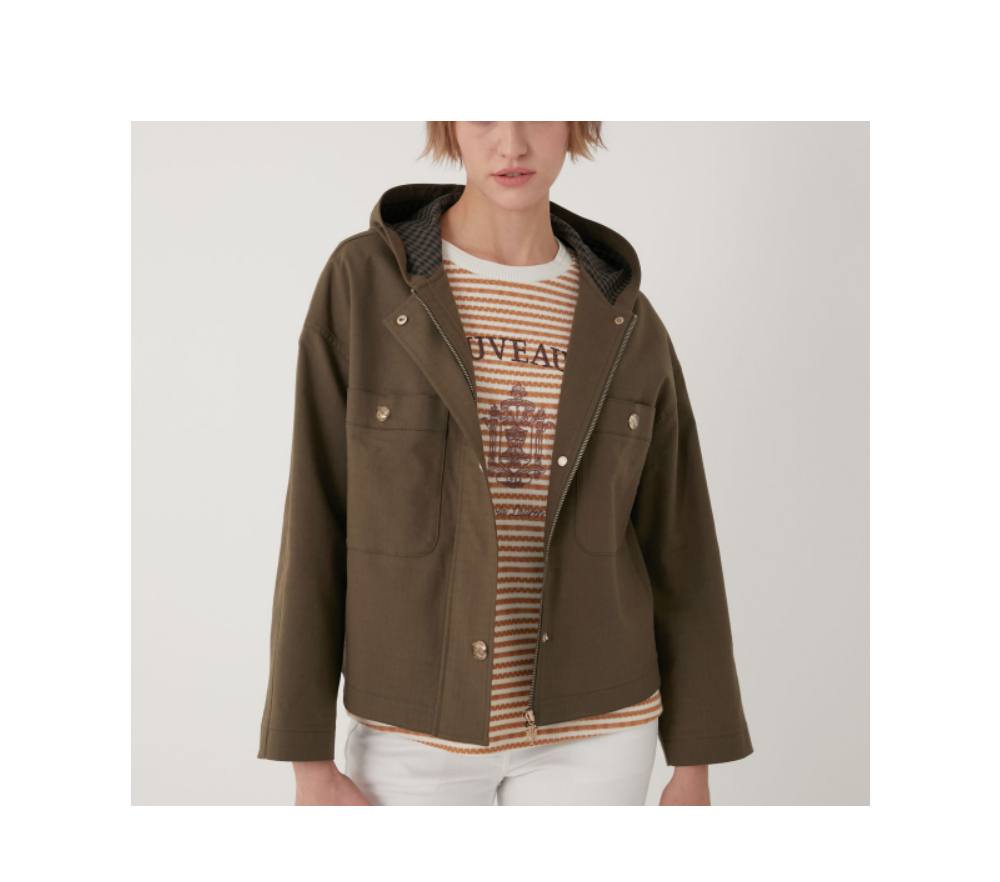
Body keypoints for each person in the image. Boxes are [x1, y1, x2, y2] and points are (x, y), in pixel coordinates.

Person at [259, 121, 752, 806]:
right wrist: (307, 760)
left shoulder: (627, 320)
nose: (512, 144)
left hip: (599, 732)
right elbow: (315, 520)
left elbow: (681, 545)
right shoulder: (365, 284)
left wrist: (694, 765)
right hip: (414, 731)